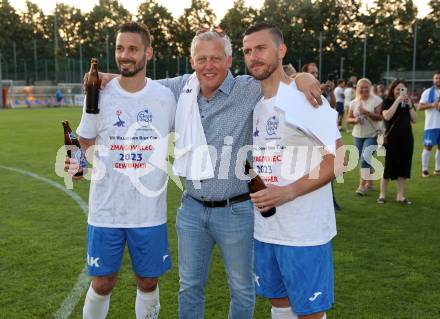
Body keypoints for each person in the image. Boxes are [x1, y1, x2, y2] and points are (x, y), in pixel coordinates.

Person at [88, 28, 322, 318]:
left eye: (215, 58)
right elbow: (139, 82)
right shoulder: (180, 87)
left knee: (241, 286)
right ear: (192, 61)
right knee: (189, 286)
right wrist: (106, 78)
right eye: (201, 59)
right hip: (192, 210)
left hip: (236, 209)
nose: (208, 65)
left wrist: (302, 76)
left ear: (229, 59)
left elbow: (278, 75)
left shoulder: (248, 88)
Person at [65, 22, 176, 319]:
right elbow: (84, 142)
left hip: (148, 211)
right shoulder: (98, 93)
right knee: (102, 282)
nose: (124, 55)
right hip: (106, 209)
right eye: (119, 48)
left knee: (148, 280)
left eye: (132, 49)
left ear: (148, 53)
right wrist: (77, 160)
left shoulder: (165, 97)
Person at [243, 23, 344, 319]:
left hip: (304, 232)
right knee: (278, 304)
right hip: (266, 229)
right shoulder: (257, 104)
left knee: (309, 313)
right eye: (248, 51)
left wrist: (287, 191)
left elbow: (338, 159)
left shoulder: (305, 98)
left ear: (281, 50)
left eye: (261, 48)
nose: (253, 57)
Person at [378, 80, 417, 204]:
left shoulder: (408, 102)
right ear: (392, 89)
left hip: (406, 139)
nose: (400, 91)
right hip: (392, 139)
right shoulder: (387, 101)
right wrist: (397, 101)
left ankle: (400, 196)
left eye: (402, 89)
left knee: (404, 167)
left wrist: (410, 104)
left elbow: (415, 119)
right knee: (389, 167)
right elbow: (387, 116)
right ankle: (382, 195)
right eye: (397, 89)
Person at [346, 78, 383, 195]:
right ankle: (370, 181)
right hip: (357, 135)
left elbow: (379, 117)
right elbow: (348, 119)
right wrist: (355, 119)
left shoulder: (376, 100)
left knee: (365, 159)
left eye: (366, 87)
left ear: (370, 88)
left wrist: (366, 112)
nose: (364, 89)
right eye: (361, 87)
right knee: (364, 159)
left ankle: (362, 186)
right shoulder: (353, 102)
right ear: (357, 89)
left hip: (372, 134)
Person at [418, 71, 440, 177]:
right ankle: (425, 169)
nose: (437, 80)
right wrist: (432, 105)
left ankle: (438, 169)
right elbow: (420, 107)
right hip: (431, 125)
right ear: (433, 79)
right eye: (436, 78)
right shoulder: (427, 92)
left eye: (439, 78)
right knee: (428, 147)